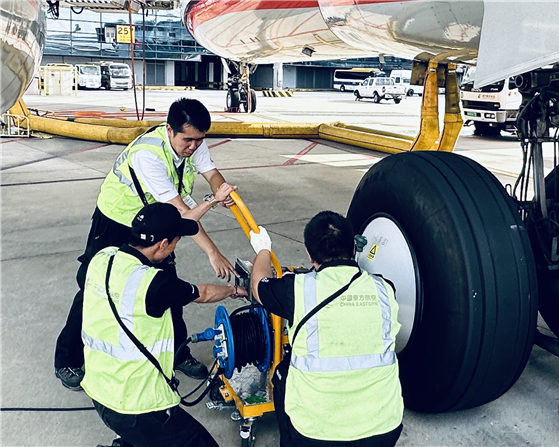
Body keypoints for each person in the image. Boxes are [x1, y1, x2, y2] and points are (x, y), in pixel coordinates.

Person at [55, 97, 237, 390]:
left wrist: (223, 190)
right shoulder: (148, 155)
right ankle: (67, 358)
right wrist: (212, 251)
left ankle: (178, 353)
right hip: (116, 221)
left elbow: (213, 174)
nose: (193, 147)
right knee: (95, 286)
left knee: (168, 286)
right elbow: (182, 215)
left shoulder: (193, 142)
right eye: (188, 140)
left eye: (199, 140)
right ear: (170, 129)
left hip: (152, 221)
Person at [83, 202, 247, 447]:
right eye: (176, 241)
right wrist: (234, 290)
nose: (174, 247)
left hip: (99, 390)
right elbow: (202, 293)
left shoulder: (102, 258)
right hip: (138, 406)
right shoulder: (153, 284)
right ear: (162, 245)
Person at [250, 211, 404, 447]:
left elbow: (258, 285)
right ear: (353, 247)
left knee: (281, 374)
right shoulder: (385, 289)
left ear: (309, 255)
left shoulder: (296, 290)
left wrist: (263, 250)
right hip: (384, 428)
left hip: (317, 433)